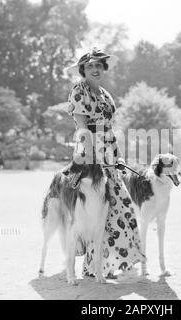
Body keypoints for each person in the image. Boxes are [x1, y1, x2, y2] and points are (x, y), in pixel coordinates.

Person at [63, 48, 145, 277]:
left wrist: (116, 155)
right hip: (90, 152)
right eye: (90, 66)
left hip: (109, 150)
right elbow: (81, 126)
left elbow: (108, 128)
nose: (95, 69)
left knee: (118, 207)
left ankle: (106, 263)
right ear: (83, 70)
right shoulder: (79, 90)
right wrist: (92, 160)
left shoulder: (105, 93)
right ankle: (93, 265)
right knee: (95, 207)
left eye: (99, 65)